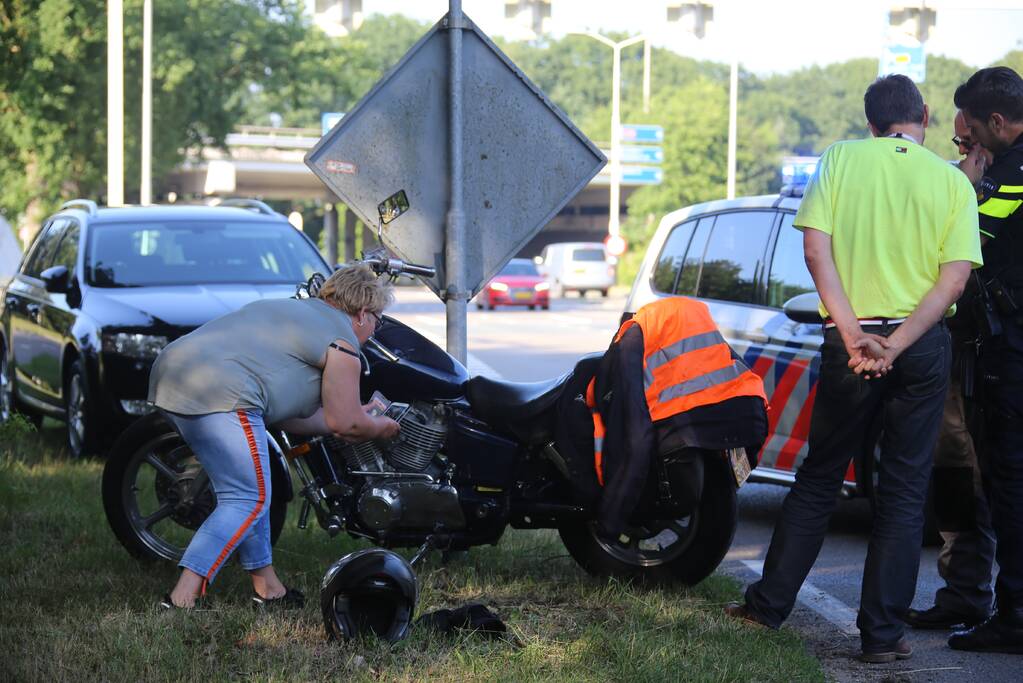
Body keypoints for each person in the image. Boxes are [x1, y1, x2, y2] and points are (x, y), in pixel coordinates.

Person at [724, 74, 982, 664]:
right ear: (922, 114)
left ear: (870, 122)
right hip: (919, 347)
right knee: (903, 490)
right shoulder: (950, 180)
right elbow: (956, 276)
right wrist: (899, 342)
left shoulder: (840, 160)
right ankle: (883, 638)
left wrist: (852, 335)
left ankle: (766, 609)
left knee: (818, 477)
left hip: (851, 339)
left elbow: (815, 251)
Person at [148, 263, 401, 609]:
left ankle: (268, 589)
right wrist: (381, 426)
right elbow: (346, 425)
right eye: (377, 319)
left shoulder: (296, 311)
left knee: (250, 489)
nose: (375, 328)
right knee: (248, 499)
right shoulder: (342, 344)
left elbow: (302, 417)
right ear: (361, 313)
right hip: (225, 395)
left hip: (172, 373)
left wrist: (355, 414)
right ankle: (182, 597)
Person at [904, 113, 997, 631]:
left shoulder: (988, 184)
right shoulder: (955, 182)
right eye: (957, 141)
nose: (960, 150)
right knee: (956, 474)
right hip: (959, 355)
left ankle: (976, 595)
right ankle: (964, 591)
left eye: (965, 140)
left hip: (989, 359)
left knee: (976, 475)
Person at [947, 66, 1023, 654]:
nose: (971, 146)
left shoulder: (1012, 175)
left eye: (972, 134)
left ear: (997, 122)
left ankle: (1014, 616)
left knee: (1010, 484)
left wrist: (967, 186)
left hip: (1011, 359)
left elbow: (969, 246)